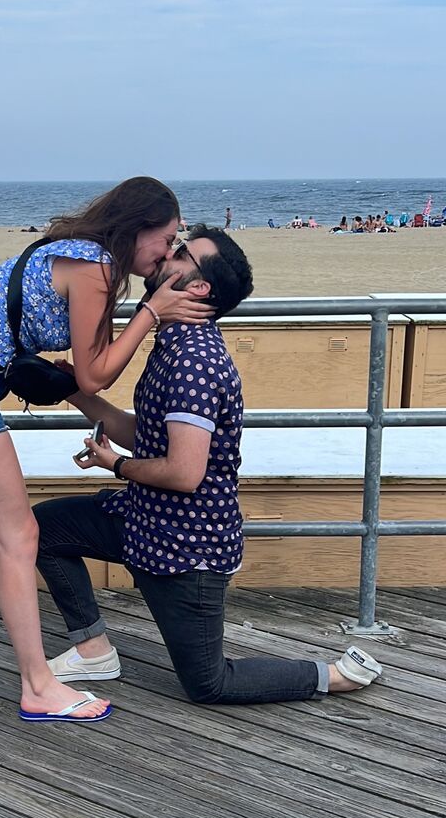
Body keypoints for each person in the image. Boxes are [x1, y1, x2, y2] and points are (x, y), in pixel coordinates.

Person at [0, 177, 213, 722]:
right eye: (168, 238)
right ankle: (38, 685)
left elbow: (85, 369)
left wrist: (142, 313)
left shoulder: (83, 255)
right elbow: (94, 375)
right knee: (20, 533)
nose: (169, 252)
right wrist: (152, 313)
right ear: (138, 228)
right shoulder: (97, 267)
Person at [33, 226, 382, 706]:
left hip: (186, 546)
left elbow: (184, 472)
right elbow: (148, 434)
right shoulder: (174, 342)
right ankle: (93, 650)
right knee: (41, 530)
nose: (166, 254)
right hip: (141, 520)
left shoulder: (194, 361)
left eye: (181, 254)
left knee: (208, 683)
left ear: (198, 288)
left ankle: (331, 674)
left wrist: (116, 465)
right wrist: (74, 390)